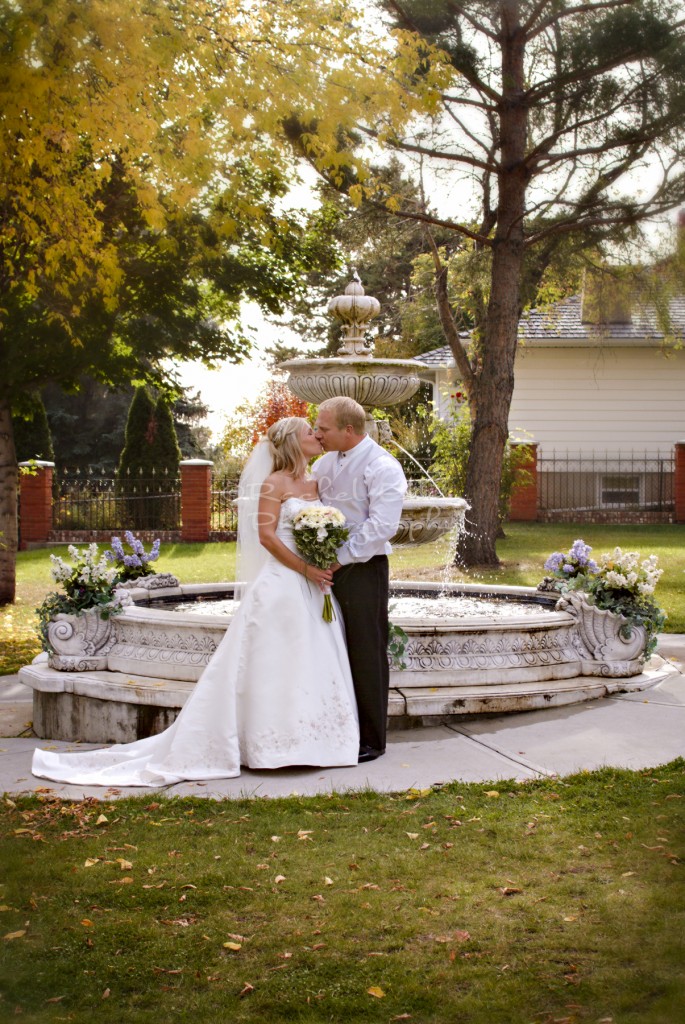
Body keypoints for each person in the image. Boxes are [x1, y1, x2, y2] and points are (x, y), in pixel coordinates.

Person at [32, 417, 360, 787]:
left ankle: (316, 741)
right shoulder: (274, 484)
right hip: (283, 584)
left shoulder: (317, 482)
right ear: (291, 443)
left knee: (312, 656)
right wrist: (305, 568)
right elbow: (267, 538)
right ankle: (271, 746)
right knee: (276, 659)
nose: (316, 436)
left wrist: (321, 559)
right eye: (308, 433)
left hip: (313, 584)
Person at [312, 396, 407, 763]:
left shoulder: (383, 466)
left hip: (364, 568)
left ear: (348, 430)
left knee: (366, 650)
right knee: (332, 647)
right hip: (325, 568)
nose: (318, 434)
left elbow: (382, 526)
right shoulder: (325, 462)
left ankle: (372, 739)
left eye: (324, 428)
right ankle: (338, 729)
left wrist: (337, 560)